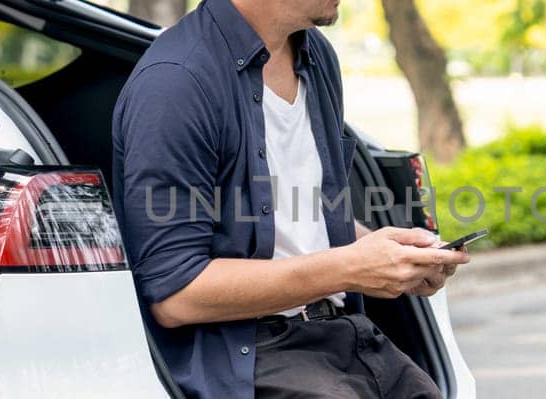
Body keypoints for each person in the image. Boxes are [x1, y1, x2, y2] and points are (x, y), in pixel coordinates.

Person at [109, 0, 471, 397]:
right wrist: (347, 269)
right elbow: (176, 295)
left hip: (343, 336)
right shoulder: (176, 82)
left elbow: (296, 217)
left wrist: (391, 254)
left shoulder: (317, 57)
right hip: (250, 357)